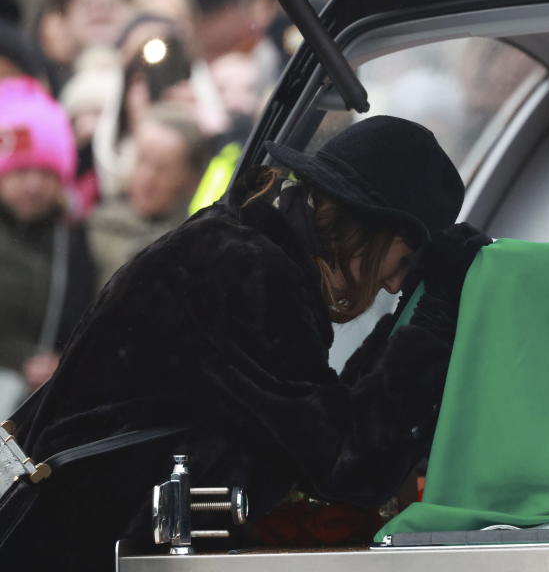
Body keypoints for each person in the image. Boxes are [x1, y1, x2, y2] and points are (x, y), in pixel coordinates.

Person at [2, 115, 490, 569]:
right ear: (375, 228)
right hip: (80, 548)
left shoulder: (241, 242)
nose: (391, 286)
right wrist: (433, 318)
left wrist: (404, 328)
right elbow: (351, 464)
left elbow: (324, 421)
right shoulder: (248, 272)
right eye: (403, 263)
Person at [0, 76, 94, 418]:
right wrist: (17, 357)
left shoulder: (72, 237)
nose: (34, 185)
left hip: (35, 402)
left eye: (47, 173)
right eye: (22, 171)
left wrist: (60, 361)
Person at [87, 102, 211, 287]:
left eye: (163, 169)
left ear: (192, 180)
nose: (147, 179)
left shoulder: (198, 248)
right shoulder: (92, 229)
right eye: (142, 160)